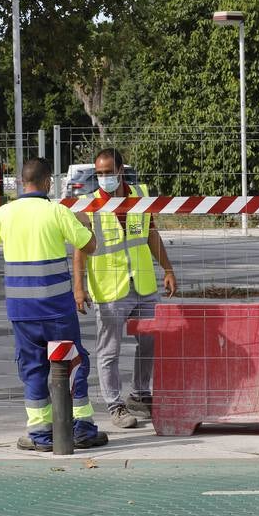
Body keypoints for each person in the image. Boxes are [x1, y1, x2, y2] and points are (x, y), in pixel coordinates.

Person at [0, 156, 109, 452]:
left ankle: (40, 432)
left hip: (21, 310)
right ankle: (82, 428)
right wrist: (84, 223)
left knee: (32, 367)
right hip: (56, 309)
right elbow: (90, 246)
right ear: (48, 182)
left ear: (21, 183)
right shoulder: (57, 212)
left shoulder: (5, 212)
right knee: (73, 363)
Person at [73, 148, 177, 429]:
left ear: (120, 170)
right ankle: (115, 405)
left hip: (142, 282)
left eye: (108, 172)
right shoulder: (88, 204)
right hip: (110, 289)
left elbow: (151, 234)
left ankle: (140, 395)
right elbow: (80, 249)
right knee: (109, 350)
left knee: (150, 341)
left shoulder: (139, 196)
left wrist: (167, 268)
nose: (104, 178)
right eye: (100, 173)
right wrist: (78, 288)